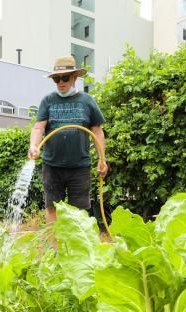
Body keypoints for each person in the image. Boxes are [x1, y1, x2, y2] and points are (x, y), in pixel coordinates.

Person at [28, 55, 108, 223]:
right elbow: (38, 127)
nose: (61, 82)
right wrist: (34, 145)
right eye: (56, 79)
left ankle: (74, 248)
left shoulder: (87, 101)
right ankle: (53, 248)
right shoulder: (48, 100)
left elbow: (97, 131)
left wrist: (102, 159)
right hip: (52, 166)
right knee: (51, 208)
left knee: (78, 214)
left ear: (75, 78)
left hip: (79, 167)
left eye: (65, 78)